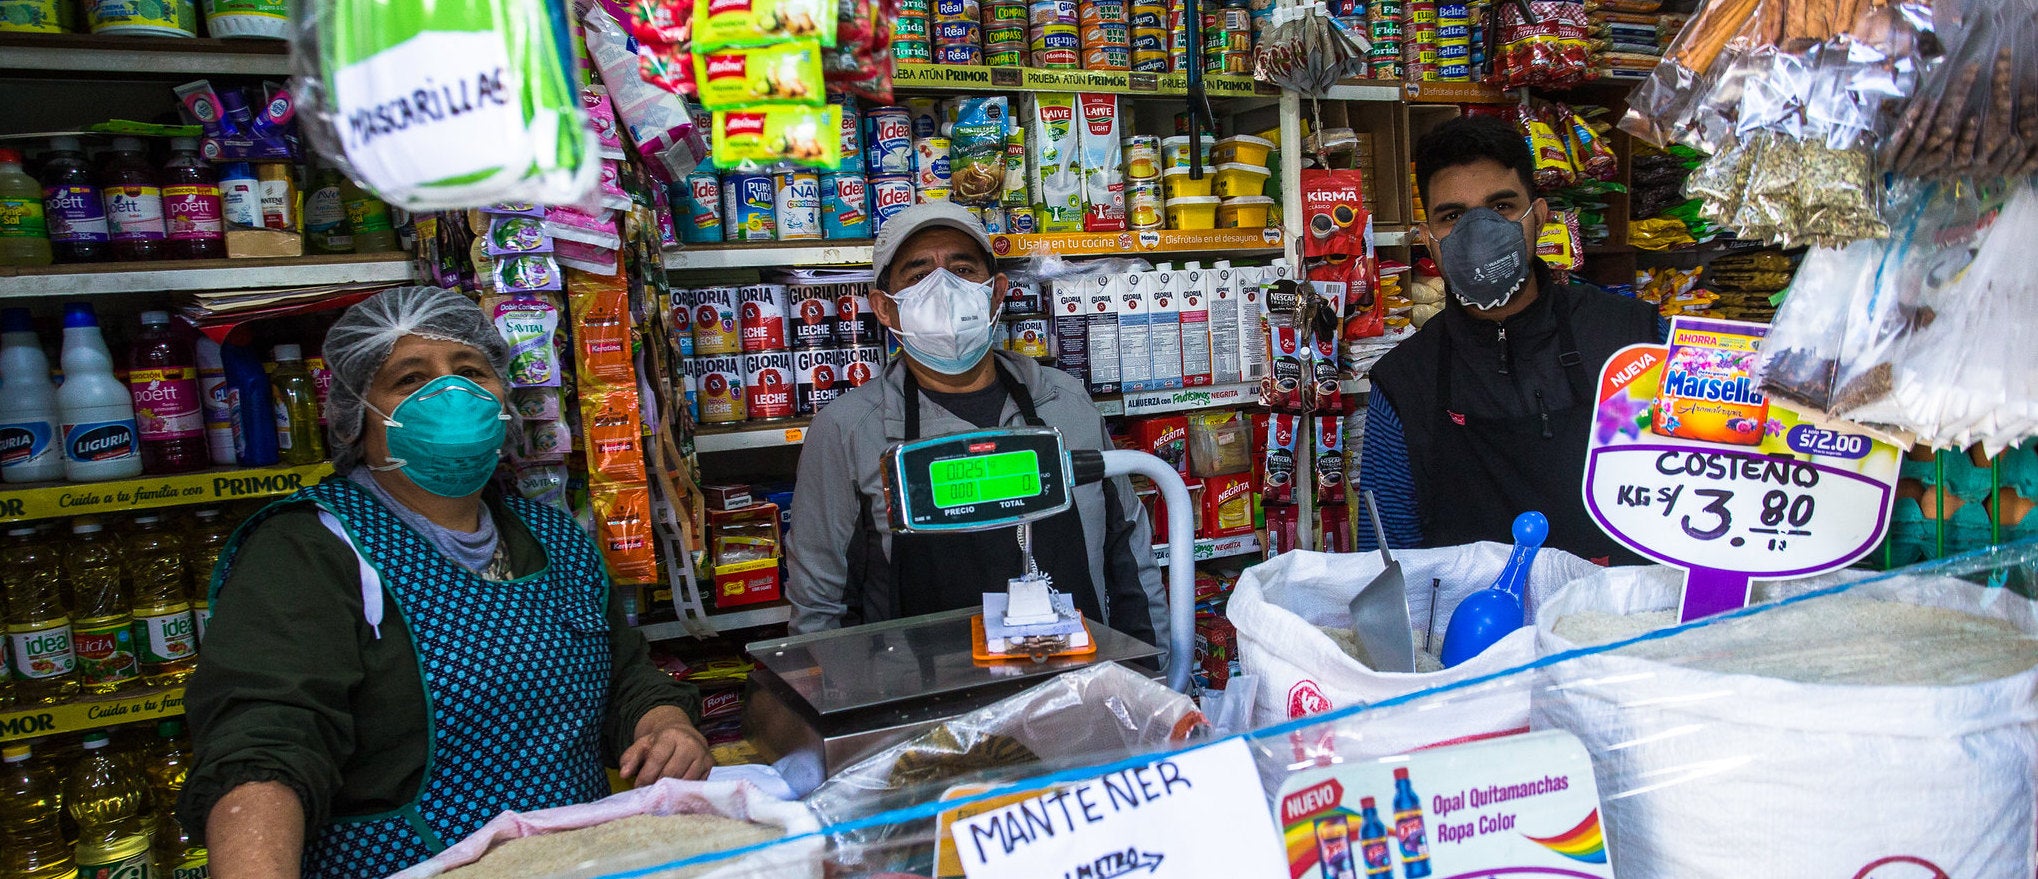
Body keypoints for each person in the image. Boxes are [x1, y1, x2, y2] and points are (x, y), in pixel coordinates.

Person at [180, 287, 709, 879]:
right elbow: (265, 743)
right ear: (358, 416)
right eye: (410, 379)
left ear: (503, 397)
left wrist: (665, 722)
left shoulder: (553, 537)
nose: (451, 393)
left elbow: (623, 674)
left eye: (470, 372)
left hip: (579, 861)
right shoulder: (311, 549)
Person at [787, 202, 1168, 648]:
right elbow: (820, 609)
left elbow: (1129, 557)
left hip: (1078, 692)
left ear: (996, 292)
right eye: (917, 275)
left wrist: (1154, 675)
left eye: (962, 269)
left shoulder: (1066, 403)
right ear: (884, 308)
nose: (942, 287)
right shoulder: (848, 430)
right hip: (931, 707)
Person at [1360, 115, 1659, 564]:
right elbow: (1385, 565)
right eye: (1453, 216)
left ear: (1538, 218)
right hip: (1470, 632)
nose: (1478, 232)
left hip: (1616, 624)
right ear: (1429, 240)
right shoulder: (1406, 384)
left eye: (1500, 207)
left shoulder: (1633, 341)